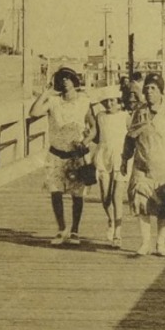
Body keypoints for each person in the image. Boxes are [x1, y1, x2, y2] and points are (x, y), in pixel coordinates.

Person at [121, 72, 165, 257]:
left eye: (153, 89)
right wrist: (124, 159)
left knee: (163, 208)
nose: (149, 92)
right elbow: (130, 138)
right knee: (141, 204)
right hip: (141, 167)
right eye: (147, 88)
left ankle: (160, 243)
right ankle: (145, 243)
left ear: (161, 92)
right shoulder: (139, 112)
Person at [29, 65, 94, 245]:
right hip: (56, 153)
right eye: (61, 78)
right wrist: (46, 93)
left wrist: (86, 141)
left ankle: (75, 231)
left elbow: (94, 126)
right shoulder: (54, 101)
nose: (65, 81)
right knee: (56, 192)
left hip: (76, 155)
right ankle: (61, 229)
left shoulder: (83, 101)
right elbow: (33, 113)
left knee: (77, 194)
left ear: (74, 81)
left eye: (68, 78)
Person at [91, 92, 130, 246]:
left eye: (112, 101)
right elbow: (96, 135)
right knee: (105, 197)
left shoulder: (125, 116)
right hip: (104, 156)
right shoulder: (100, 116)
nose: (109, 104)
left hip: (120, 157)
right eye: (106, 101)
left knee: (117, 196)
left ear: (119, 102)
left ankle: (118, 234)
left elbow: (133, 136)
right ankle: (111, 220)